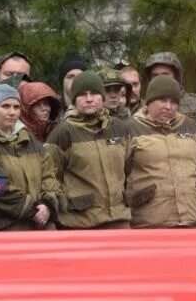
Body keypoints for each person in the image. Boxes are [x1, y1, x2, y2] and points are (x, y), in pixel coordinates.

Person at [0, 83, 60, 231]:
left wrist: (47, 204)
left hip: (39, 227)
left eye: (16, 107)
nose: (12, 112)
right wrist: (34, 210)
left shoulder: (28, 137)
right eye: (5, 106)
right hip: (1, 229)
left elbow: (49, 174)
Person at [46, 71, 132, 229]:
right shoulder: (63, 133)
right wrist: (65, 205)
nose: (89, 99)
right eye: (82, 95)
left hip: (119, 220)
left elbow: (129, 170)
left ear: (102, 97)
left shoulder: (119, 127)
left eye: (94, 93)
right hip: (80, 224)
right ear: (74, 100)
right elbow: (50, 177)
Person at [126, 76, 196, 228]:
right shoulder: (130, 128)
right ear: (149, 101)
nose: (168, 106)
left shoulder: (191, 126)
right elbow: (118, 175)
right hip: (149, 222)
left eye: (173, 102)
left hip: (193, 218)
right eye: (163, 100)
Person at [142, 52, 196, 133]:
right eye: (155, 75)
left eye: (165, 74)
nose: (160, 79)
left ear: (176, 77)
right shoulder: (143, 108)